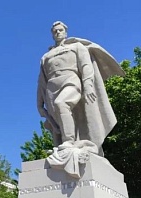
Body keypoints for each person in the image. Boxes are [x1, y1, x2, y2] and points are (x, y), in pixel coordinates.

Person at [37, 21, 124, 154]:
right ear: (52, 35)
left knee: (61, 104)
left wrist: (88, 86)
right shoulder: (46, 57)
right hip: (52, 89)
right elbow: (42, 82)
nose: (58, 32)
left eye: (60, 30)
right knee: (58, 122)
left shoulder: (77, 47)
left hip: (71, 81)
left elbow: (86, 67)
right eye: (55, 31)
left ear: (65, 32)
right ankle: (64, 145)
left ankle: (69, 141)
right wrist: (39, 104)